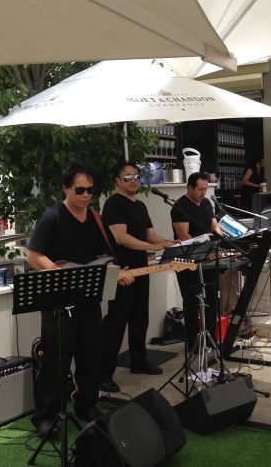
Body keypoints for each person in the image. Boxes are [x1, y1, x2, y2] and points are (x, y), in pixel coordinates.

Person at [27, 161, 132, 438]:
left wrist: (116, 273)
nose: (86, 195)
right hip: (59, 302)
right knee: (55, 360)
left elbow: (105, 257)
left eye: (90, 190)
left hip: (89, 300)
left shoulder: (96, 219)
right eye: (80, 190)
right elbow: (33, 255)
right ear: (65, 188)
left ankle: (86, 405)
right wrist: (60, 275)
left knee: (91, 356)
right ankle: (45, 417)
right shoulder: (52, 218)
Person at [100, 161, 175, 393]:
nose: (133, 181)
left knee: (140, 318)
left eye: (136, 176)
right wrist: (152, 246)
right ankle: (103, 374)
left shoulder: (140, 205)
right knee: (116, 322)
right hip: (119, 271)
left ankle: (138, 361)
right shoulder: (114, 204)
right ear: (118, 181)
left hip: (141, 269)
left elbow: (150, 235)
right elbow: (120, 237)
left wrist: (168, 243)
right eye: (127, 177)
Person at [170, 172, 222, 350]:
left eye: (205, 189)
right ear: (190, 187)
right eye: (200, 189)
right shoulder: (179, 206)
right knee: (191, 303)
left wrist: (218, 243)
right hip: (187, 261)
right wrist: (205, 251)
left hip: (208, 259)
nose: (203, 193)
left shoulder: (206, 203)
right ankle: (193, 344)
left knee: (212, 301)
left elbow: (215, 226)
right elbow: (184, 236)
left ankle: (211, 340)